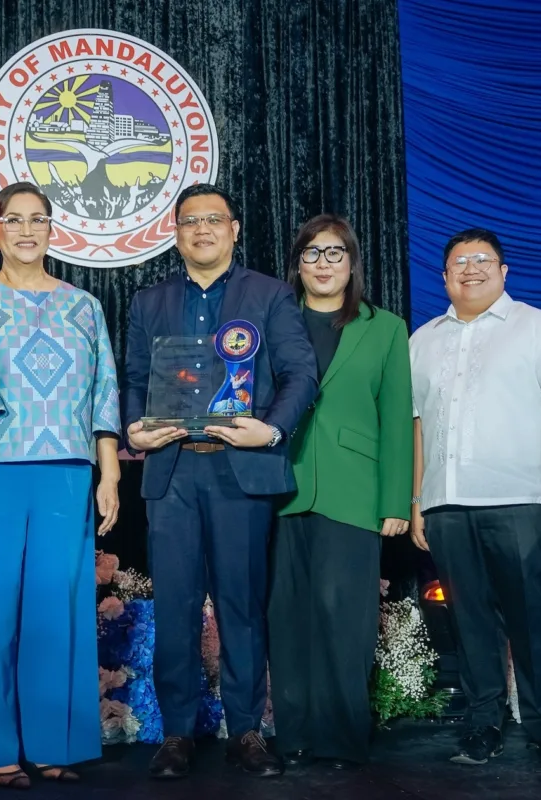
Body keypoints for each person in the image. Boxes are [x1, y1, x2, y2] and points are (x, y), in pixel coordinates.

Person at [0, 182, 122, 788]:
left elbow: (103, 396)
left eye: (39, 219)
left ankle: (52, 742)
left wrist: (108, 469)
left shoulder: (83, 307)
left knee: (54, 613)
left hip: (66, 474)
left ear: (52, 229)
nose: (28, 230)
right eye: (16, 220)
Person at [123, 184, 317, 779]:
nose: (201, 230)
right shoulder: (148, 301)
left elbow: (301, 373)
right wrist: (134, 427)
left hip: (241, 471)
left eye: (214, 220)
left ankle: (248, 730)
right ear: (175, 233)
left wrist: (273, 431)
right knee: (176, 605)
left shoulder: (271, 294)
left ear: (234, 229)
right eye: (189, 222)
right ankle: (177, 733)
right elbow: (133, 377)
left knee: (241, 604)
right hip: (175, 468)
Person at [408, 228, 541, 772]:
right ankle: (482, 725)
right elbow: (418, 426)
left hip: (523, 502)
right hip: (447, 504)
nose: (471, 268)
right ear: (443, 276)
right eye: (459, 261)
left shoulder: (537, 328)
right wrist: (419, 499)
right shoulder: (424, 340)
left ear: (504, 271)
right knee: (470, 622)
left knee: (534, 619)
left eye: (483, 259)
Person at [268, 214, 413, 769]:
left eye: (335, 253)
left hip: (355, 489)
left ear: (351, 263)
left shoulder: (386, 327)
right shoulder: (274, 323)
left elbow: (397, 418)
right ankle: (295, 733)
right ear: (297, 264)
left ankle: (342, 735)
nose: (323, 263)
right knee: (288, 615)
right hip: (281, 488)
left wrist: (394, 501)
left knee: (343, 614)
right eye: (312, 253)